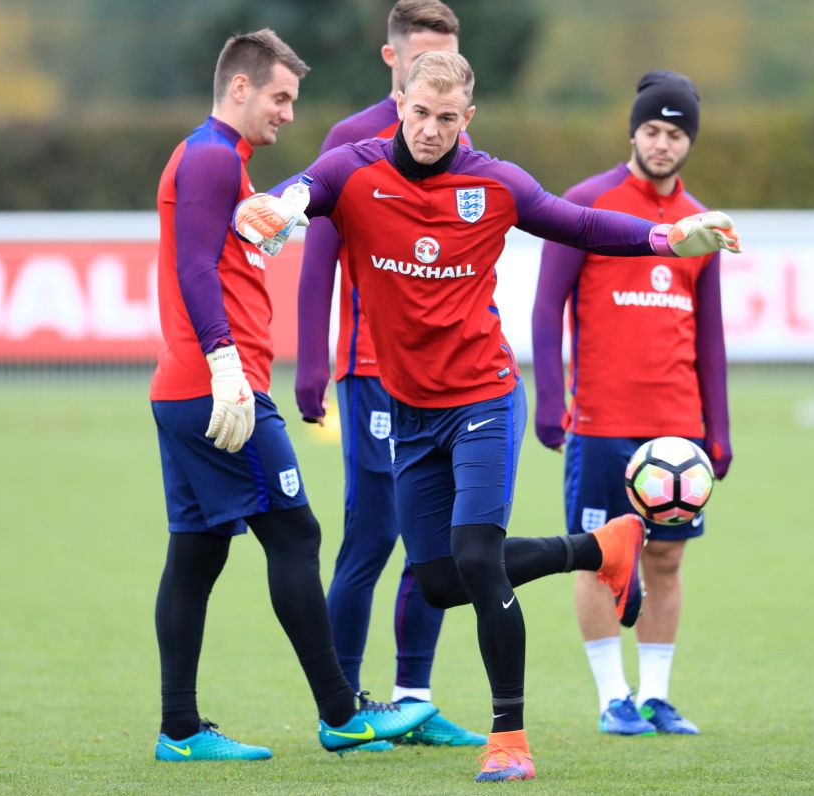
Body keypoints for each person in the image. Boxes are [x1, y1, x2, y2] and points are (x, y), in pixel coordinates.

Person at [235, 51, 739, 782]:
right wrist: (274, 208)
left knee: (475, 557)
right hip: (409, 411)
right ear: (400, 102)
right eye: (420, 113)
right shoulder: (354, 168)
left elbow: (582, 225)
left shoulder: (495, 183)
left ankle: (510, 738)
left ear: (466, 118)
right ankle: (600, 548)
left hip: (483, 398)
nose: (432, 130)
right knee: (437, 581)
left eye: (448, 118)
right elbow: (299, 192)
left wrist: (666, 237)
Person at [148, 28, 436, 763]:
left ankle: (179, 730)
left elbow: (219, 255)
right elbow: (193, 271)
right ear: (239, 87)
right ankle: (342, 712)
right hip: (222, 388)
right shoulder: (212, 157)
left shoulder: (218, 160)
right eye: (279, 97)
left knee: (197, 553)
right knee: (297, 534)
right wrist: (224, 365)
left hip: (185, 388)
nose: (286, 113)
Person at [297, 0, 483, 749]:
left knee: (429, 542)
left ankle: (412, 701)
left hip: (444, 377)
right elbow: (316, 262)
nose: (432, 77)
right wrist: (312, 362)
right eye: (420, 59)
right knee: (371, 537)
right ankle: (341, 709)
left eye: (449, 57)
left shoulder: (457, 143)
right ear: (392, 61)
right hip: (371, 371)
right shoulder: (351, 140)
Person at [531, 70, 733, 737]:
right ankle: (611, 697)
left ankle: (655, 696)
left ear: (689, 142)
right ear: (632, 132)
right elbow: (546, 304)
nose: (662, 143)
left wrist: (719, 430)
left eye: (675, 134)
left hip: (677, 431)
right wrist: (551, 400)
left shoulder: (699, 226)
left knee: (666, 561)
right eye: (651, 129)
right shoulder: (588, 203)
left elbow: (710, 334)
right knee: (598, 555)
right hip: (600, 424)